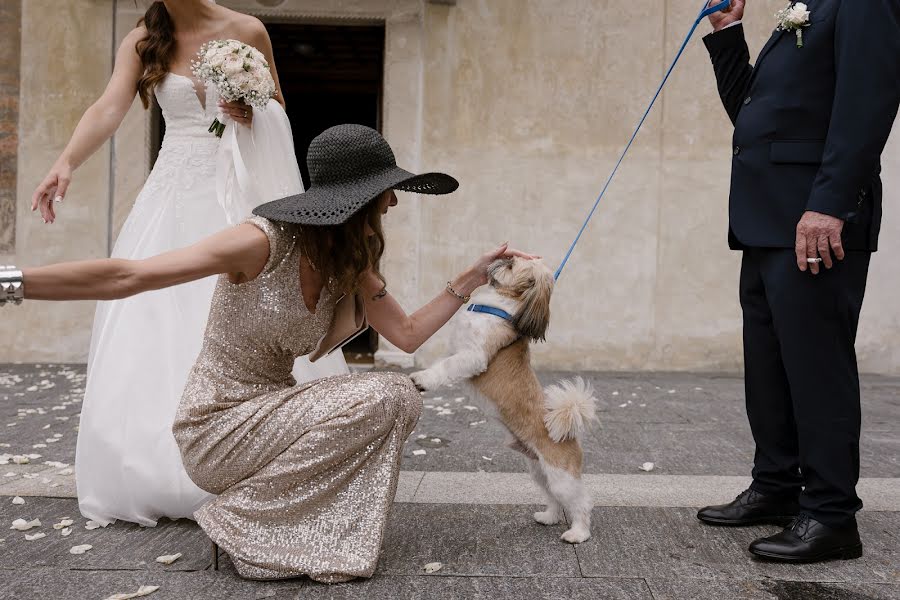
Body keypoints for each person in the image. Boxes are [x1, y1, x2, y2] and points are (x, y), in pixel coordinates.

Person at [4, 124, 535, 581]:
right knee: (392, 392)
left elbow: (410, 334)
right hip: (215, 425)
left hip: (273, 418)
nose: (393, 202)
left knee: (400, 398)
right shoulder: (261, 241)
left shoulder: (350, 265)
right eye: (386, 191)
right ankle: (239, 520)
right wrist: (11, 282)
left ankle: (274, 525)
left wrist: (471, 277)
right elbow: (131, 274)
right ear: (359, 196)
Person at [30, 0, 347, 527]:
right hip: (172, 191)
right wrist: (65, 162)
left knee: (231, 307)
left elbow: (279, 107)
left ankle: (251, 449)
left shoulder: (247, 30)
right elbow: (109, 106)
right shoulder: (142, 38)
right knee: (151, 312)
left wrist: (253, 112)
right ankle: (156, 465)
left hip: (238, 190)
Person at [696, 0, 900, 562]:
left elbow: (868, 104)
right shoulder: (802, 8)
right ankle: (776, 486)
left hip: (817, 221)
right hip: (767, 218)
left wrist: (831, 204)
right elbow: (752, 110)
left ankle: (832, 516)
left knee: (816, 367)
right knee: (768, 364)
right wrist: (728, 33)